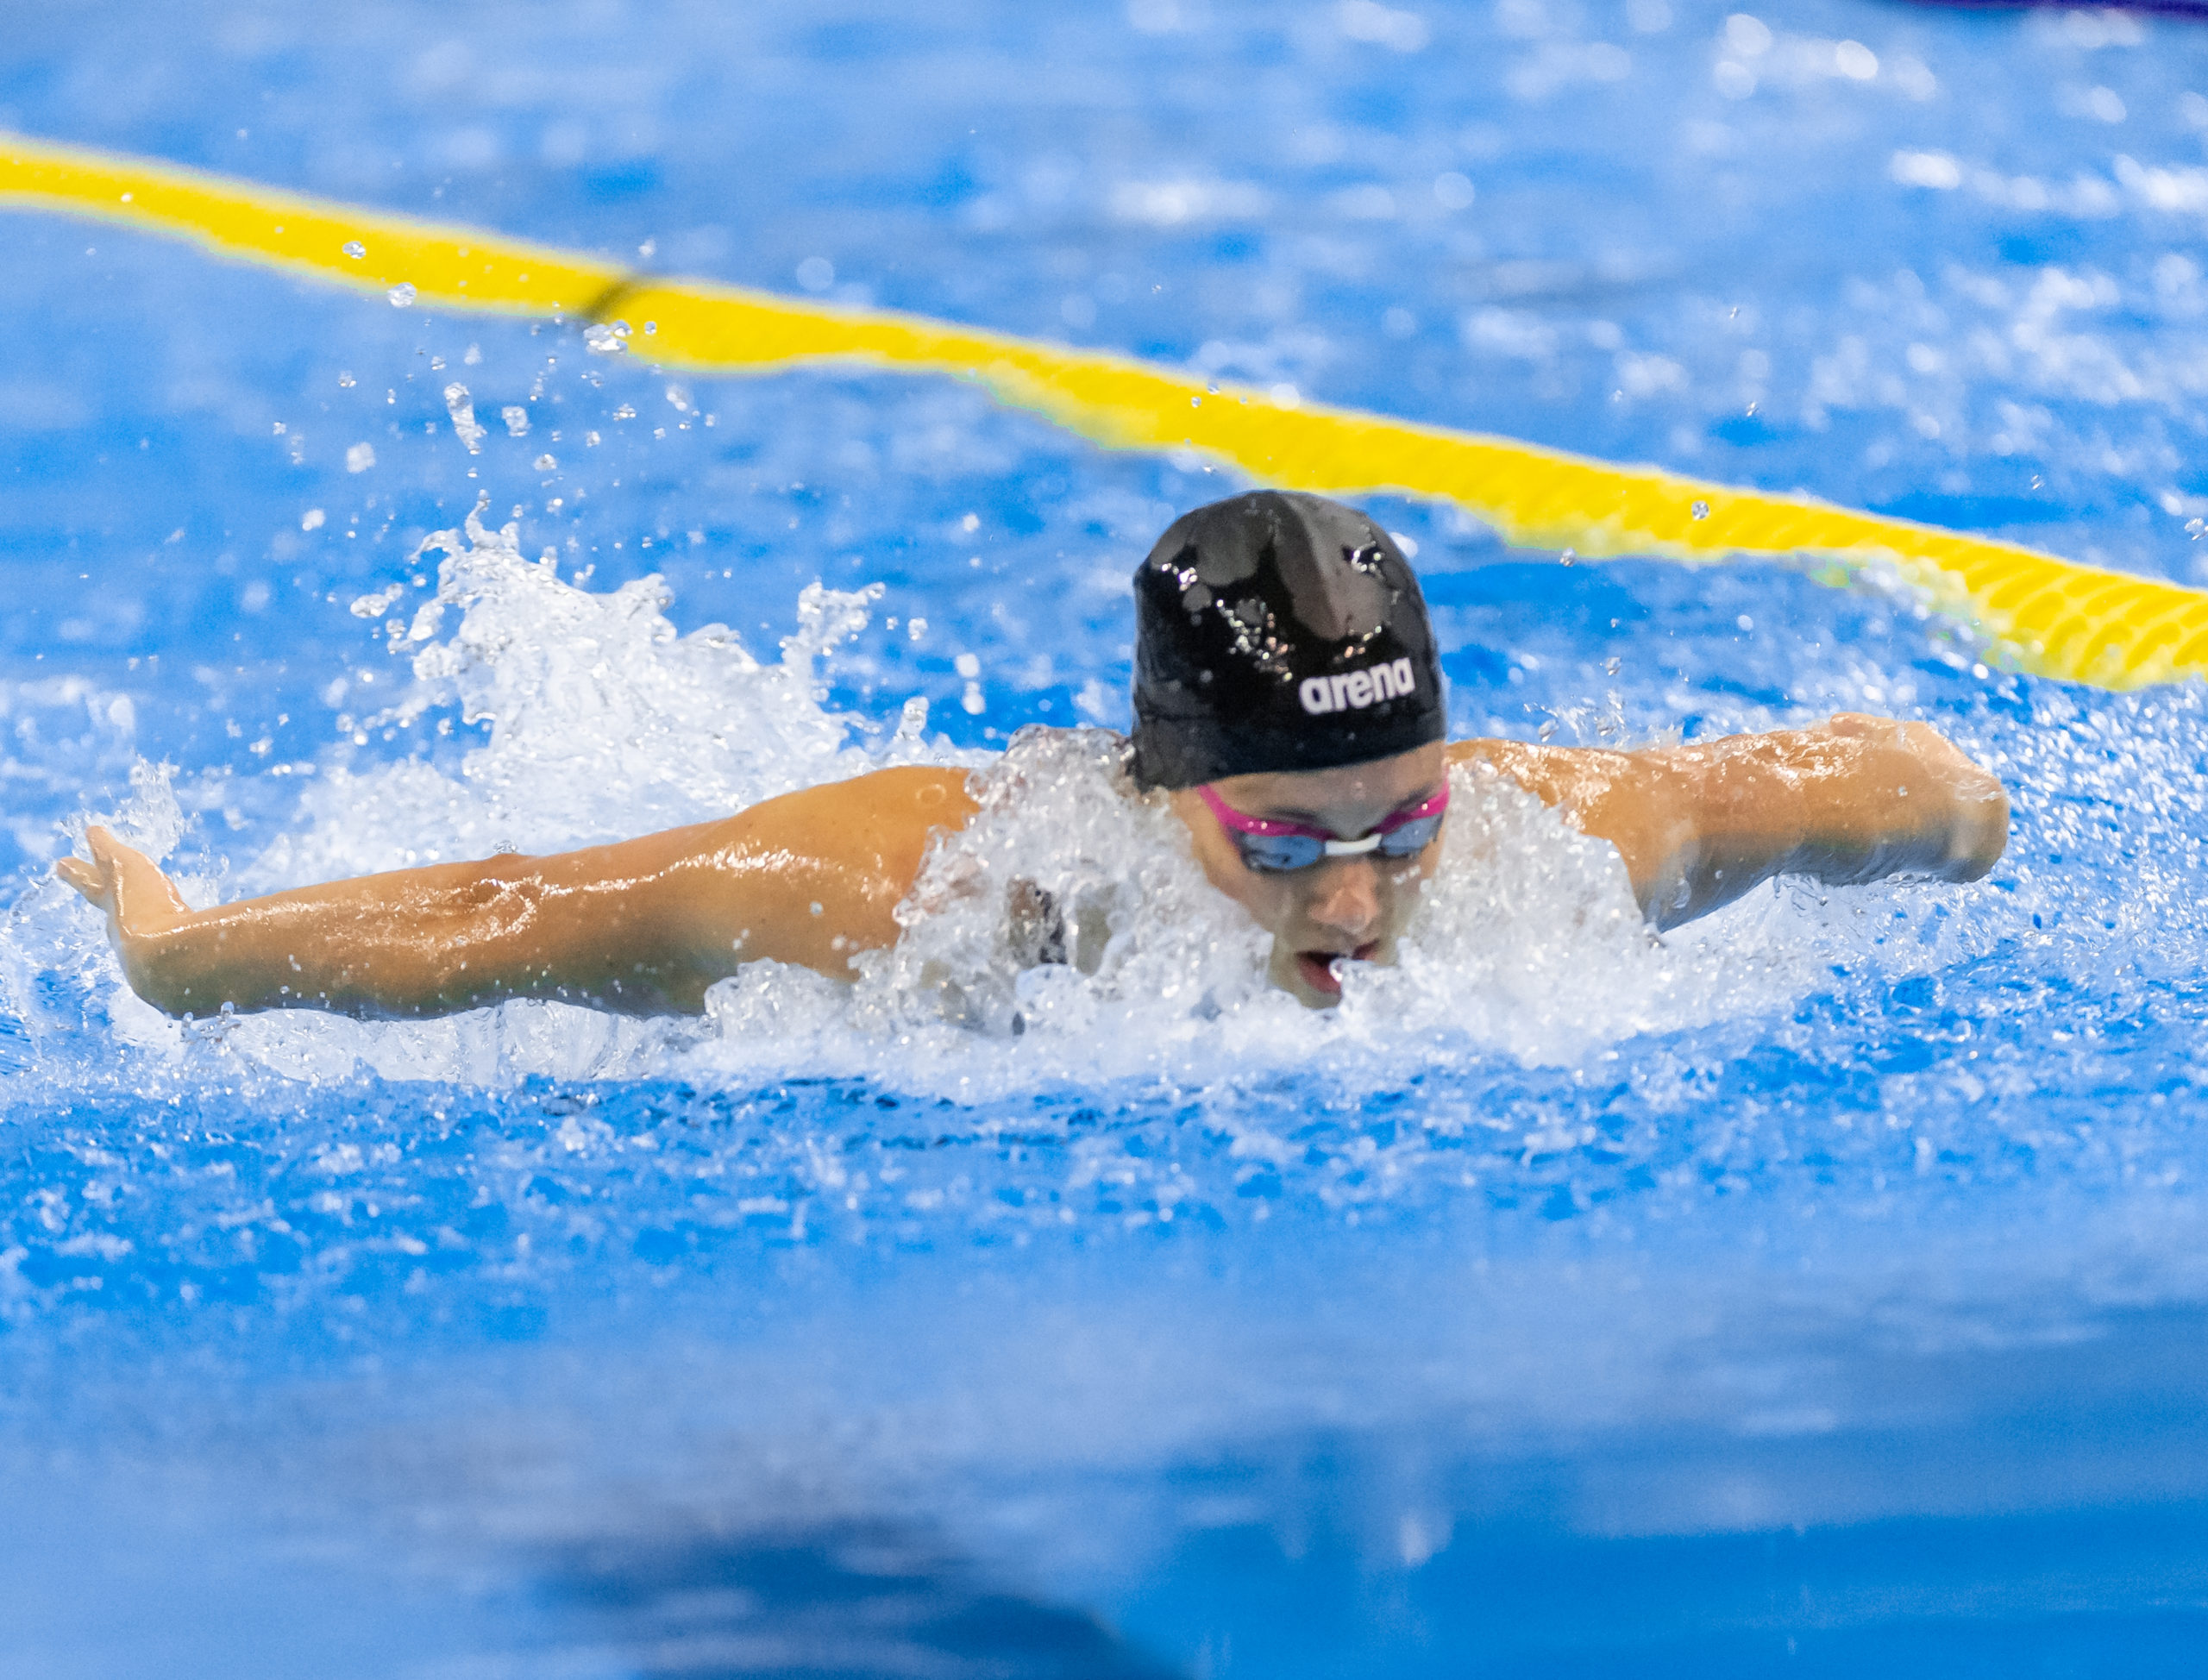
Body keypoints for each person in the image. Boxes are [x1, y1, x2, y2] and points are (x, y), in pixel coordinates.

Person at [57, 491, 2010, 1019]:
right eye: (1284, 839)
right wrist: (175, 944)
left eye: (1398, 819)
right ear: (1169, 791)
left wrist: (1965, 814)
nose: (1356, 897)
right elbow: (506, 905)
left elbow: (1874, 777)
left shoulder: (1552, 843)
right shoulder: (909, 899)